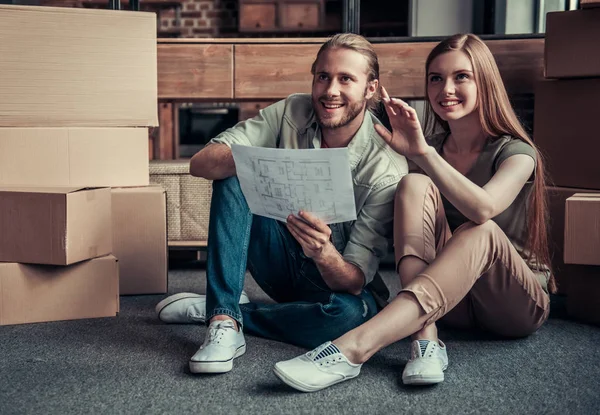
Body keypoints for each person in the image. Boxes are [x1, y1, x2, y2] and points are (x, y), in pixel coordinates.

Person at [273, 33, 554, 392]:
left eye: (461, 76)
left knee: (479, 230)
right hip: (447, 304)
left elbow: (483, 208)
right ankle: (425, 339)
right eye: (436, 78)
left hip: (513, 305)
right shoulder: (430, 147)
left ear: (485, 82)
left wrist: (423, 155)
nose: (446, 88)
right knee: (412, 186)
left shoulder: (516, 152)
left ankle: (352, 348)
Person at [155, 33, 408, 374]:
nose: (330, 91)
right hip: (278, 258)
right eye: (323, 76)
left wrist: (323, 252)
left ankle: (226, 310)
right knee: (234, 171)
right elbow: (200, 164)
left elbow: (354, 281)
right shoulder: (292, 109)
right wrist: (266, 164)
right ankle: (225, 324)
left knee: (350, 319)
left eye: (346, 79)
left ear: (371, 88)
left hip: (332, 284)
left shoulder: (386, 169)